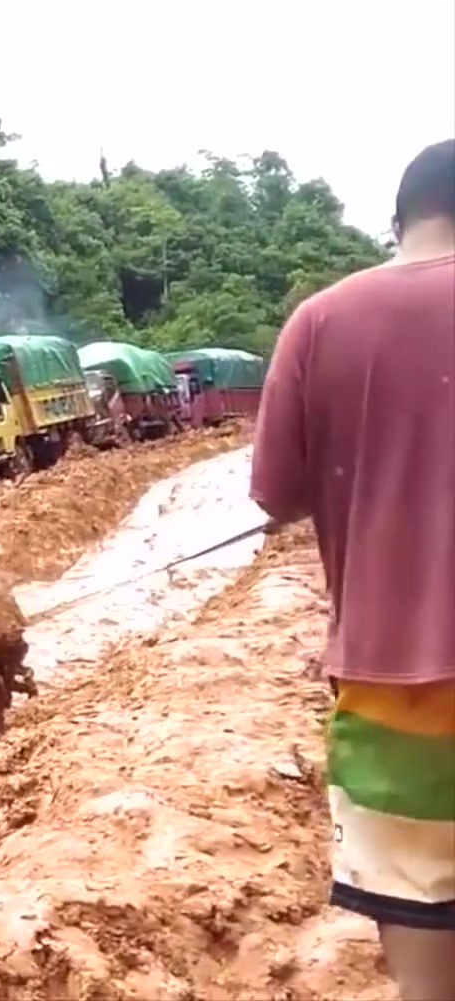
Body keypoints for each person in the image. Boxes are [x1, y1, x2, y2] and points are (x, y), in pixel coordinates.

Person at [250, 138, 455, 1001]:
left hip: (393, 698)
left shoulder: (319, 322)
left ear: (399, 221)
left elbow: (277, 496)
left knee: (425, 974)